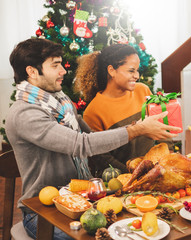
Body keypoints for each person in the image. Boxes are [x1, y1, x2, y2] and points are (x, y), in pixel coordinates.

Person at [5, 38, 180, 240]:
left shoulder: (61, 104)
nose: (63, 71)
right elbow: (81, 145)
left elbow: (92, 138)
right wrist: (137, 130)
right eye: (55, 65)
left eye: (61, 64)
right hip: (45, 211)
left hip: (82, 199)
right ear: (32, 72)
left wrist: (138, 128)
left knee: (138, 227)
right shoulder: (25, 114)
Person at [74, 44, 157, 175]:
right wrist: (135, 175)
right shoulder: (93, 111)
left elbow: (162, 125)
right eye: (131, 71)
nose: (137, 75)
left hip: (154, 173)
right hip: (122, 181)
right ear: (112, 70)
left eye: (137, 70)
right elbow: (101, 158)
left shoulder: (143, 90)